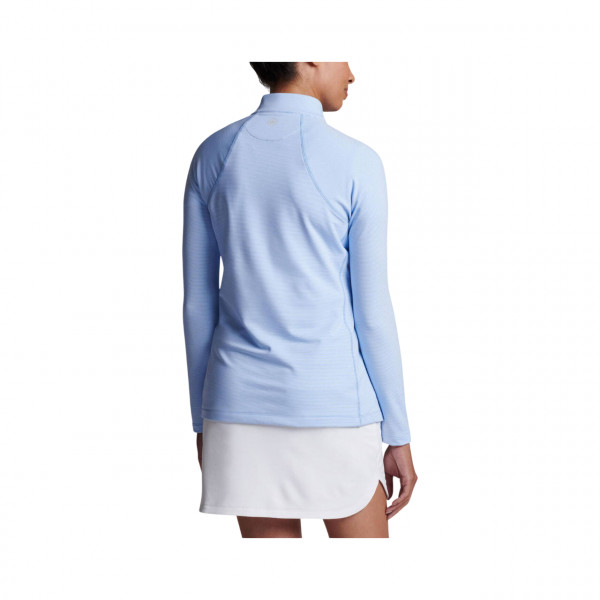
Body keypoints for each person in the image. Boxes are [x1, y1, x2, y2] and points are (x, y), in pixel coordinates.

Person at [182, 62, 418, 538]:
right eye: (342, 56)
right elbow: (372, 313)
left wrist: (202, 421)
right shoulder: (356, 161)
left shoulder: (213, 154)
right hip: (335, 410)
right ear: (309, 56)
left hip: (237, 408)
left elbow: (198, 305)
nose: (352, 73)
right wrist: (398, 433)